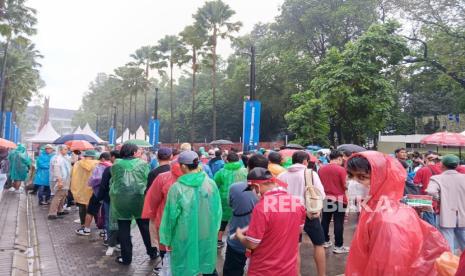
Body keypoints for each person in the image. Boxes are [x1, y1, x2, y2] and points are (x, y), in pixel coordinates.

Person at [345, 151, 449, 275]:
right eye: (351, 176)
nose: (353, 182)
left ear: (381, 178)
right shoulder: (375, 207)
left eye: (362, 177)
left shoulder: (387, 219)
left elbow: (392, 268)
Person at [159, 150, 221, 276]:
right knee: (206, 262)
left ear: (183, 166)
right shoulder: (210, 184)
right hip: (206, 232)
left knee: (184, 265)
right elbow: (217, 211)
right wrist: (214, 230)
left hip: (183, 234)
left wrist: (167, 239)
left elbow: (171, 217)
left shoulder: (177, 188)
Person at [235, 167, 306, 276]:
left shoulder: (261, 208)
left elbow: (252, 244)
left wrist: (240, 236)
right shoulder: (296, 202)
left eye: (252, 188)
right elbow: (299, 229)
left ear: (257, 186)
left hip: (264, 269)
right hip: (288, 268)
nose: (253, 192)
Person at [278, 150, 326, 276]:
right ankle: (321, 274)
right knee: (318, 244)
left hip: (289, 215)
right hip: (309, 213)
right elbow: (321, 194)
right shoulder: (310, 174)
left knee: (295, 246)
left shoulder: (282, 175)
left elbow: (279, 195)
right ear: (305, 161)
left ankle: (297, 274)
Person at [110, 143, 156, 265]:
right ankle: (152, 252)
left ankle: (126, 258)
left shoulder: (116, 164)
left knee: (124, 228)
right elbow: (148, 179)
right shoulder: (143, 164)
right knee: (145, 227)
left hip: (120, 200)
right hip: (139, 199)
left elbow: (113, 180)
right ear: (134, 153)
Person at [223, 154, 265, 276]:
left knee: (233, 271)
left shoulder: (235, 188)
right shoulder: (275, 190)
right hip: (263, 241)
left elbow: (231, 204)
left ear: (248, 168)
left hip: (238, 239)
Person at [142, 159, 183, 272]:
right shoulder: (201, 179)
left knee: (165, 243)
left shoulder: (163, 177)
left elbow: (153, 199)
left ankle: (166, 265)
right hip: (188, 220)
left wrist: (151, 214)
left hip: (165, 217)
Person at [426, 154, 465, 252]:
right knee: (463, 240)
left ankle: (450, 265)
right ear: (457, 166)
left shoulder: (437, 178)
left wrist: (440, 199)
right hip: (463, 213)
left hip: (445, 214)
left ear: (442, 165)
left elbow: (430, 191)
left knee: (448, 243)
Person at [214, 152, 248, 248]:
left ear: (227, 160)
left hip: (224, 199)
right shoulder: (244, 171)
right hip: (241, 198)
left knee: (223, 220)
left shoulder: (221, 172)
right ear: (238, 160)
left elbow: (215, 184)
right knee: (240, 217)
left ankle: (219, 240)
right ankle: (239, 239)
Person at [318, 150, 349, 253]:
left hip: (326, 198)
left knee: (325, 221)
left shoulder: (321, 169)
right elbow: (345, 185)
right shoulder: (341, 170)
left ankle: (325, 241)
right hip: (339, 199)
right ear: (339, 158)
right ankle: (338, 246)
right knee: (338, 222)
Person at [75, 152, 112, 236]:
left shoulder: (99, 166)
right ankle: (105, 231)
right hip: (108, 194)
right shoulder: (113, 166)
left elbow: (95, 179)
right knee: (105, 212)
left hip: (98, 192)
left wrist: (90, 184)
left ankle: (86, 229)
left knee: (91, 210)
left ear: (102, 158)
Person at [95, 150, 119, 255]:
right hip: (122, 201)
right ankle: (120, 242)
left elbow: (103, 185)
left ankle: (111, 243)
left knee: (110, 221)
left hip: (109, 199)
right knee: (122, 222)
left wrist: (99, 198)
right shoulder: (128, 169)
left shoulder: (109, 169)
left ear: (113, 157)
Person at [71, 150, 99, 228]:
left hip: (80, 188)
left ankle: (83, 224)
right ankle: (98, 223)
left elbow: (72, 174)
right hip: (92, 188)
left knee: (82, 206)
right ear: (93, 156)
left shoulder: (78, 163)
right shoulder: (97, 164)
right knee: (95, 206)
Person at [413, 152, 442, 226]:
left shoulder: (422, 170)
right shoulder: (442, 169)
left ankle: (433, 236)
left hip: (426, 199)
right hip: (440, 198)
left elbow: (415, 184)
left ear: (426, 159)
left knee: (429, 222)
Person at [48, 145, 72, 220]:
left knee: (63, 195)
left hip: (65, 180)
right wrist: (59, 181)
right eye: (65, 149)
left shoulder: (64, 157)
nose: (67, 150)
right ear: (60, 150)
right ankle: (52, 213)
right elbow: (56, 170)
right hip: (60, 180)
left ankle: (59, 210)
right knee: (58, 196)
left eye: (67, 149)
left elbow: (71, 162)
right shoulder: (57, 158)